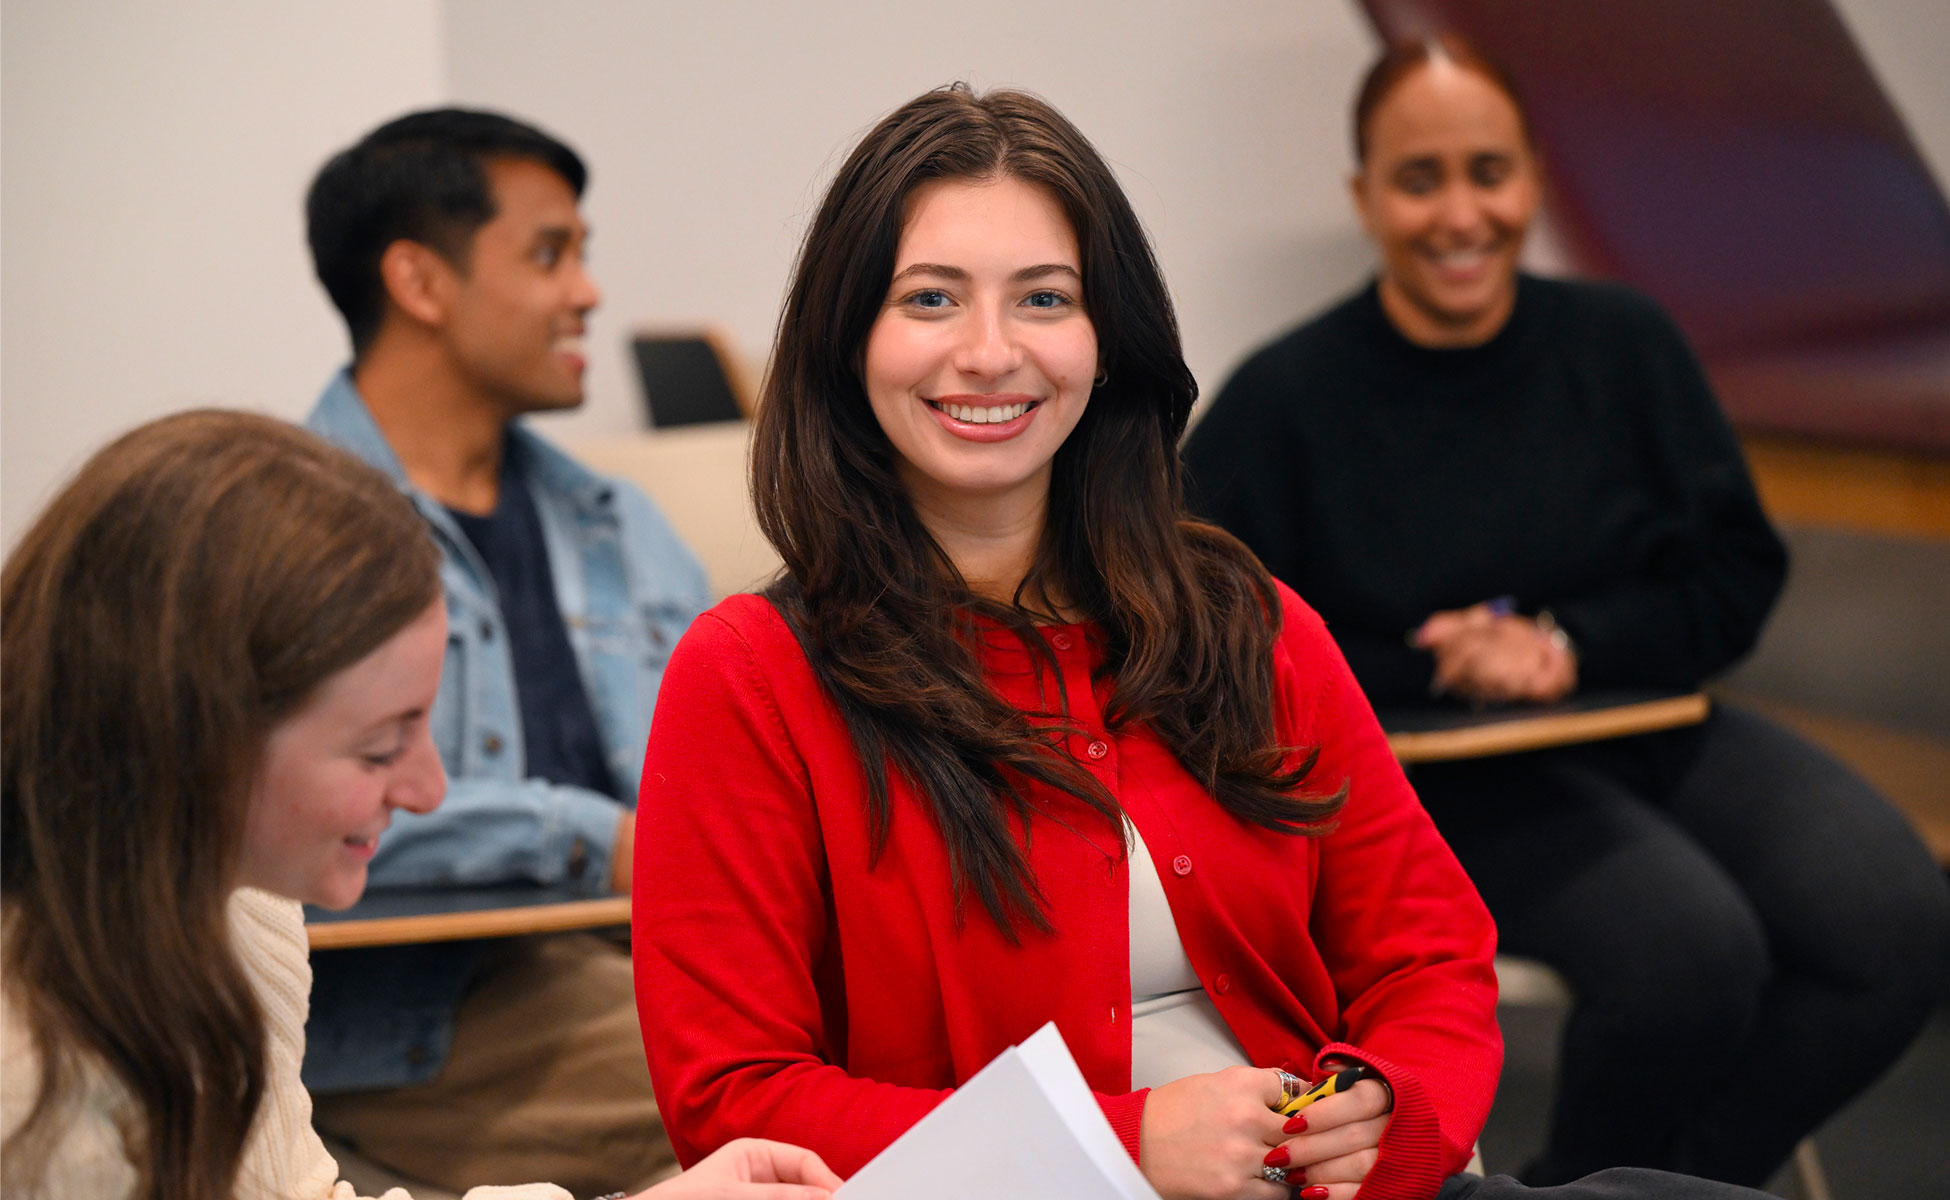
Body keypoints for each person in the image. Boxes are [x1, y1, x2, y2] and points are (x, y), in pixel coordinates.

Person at [629, 85, 1781, 1200]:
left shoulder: (1245, 619)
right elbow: (736, 1103)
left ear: (1106, 338)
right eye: (930, 299)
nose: (989, 353)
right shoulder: (752, 677)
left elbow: (1428, 952)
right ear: (844, 341)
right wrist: (1118, 1145)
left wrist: (1389, 1106)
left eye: (1043, 299)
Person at [1181, 37, 1950, 1190]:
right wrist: (1440, 666)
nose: (1458, 214)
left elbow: (1737, 570)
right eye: (1418, 177)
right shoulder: (1285, 398)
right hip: (1437, 780)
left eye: (1487, 172)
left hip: (1650, 720)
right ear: (1364, 197)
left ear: (1534, 178)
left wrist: (1566, 645)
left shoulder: (1625, 344)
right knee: (1691, 955)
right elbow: (1202, 632)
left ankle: (1686, 1176)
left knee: (1892, 918)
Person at [0, 411, 843, 1200]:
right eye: (378, 748)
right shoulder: (27, 1073)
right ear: (193, 734)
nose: (429, 790)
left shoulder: (241, 909)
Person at [299, 108, 710, 1192]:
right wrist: (599, 837)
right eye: (548, 253)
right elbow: (262, 823)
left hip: (658, 963)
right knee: (778, 1116)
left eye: (583, 253)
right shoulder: (282, 536)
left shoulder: (616, 520)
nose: (588, 292)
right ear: (420, 283)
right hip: (428, 1016)